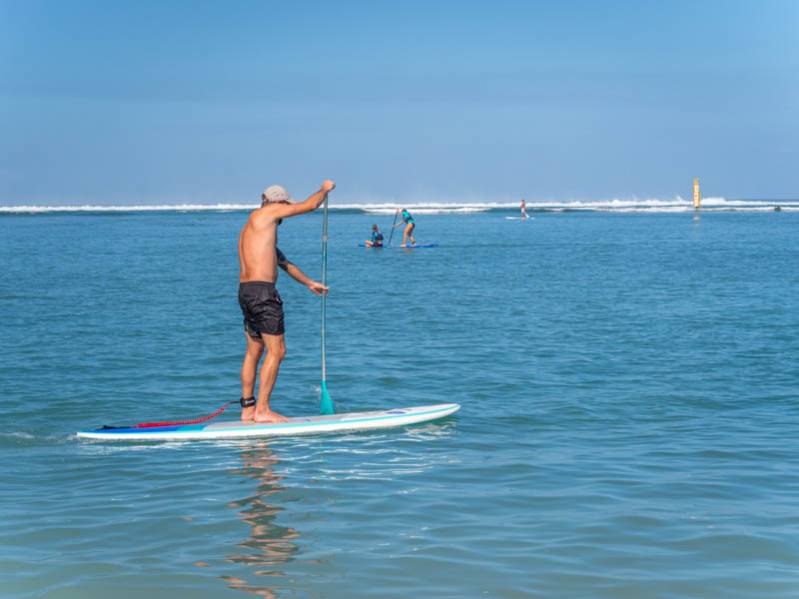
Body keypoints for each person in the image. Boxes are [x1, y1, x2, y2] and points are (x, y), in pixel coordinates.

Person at [237, 181, 335, 423]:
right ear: (278, 202)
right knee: (277, 351)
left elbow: (284, 263)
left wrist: (309, 282)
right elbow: (310, 205)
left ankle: (248, 409)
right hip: (263, 294)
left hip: (246, 292)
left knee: (254, 351)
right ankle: (263, 410)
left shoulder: (252, 230)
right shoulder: (270, 211)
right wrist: (324, 190)